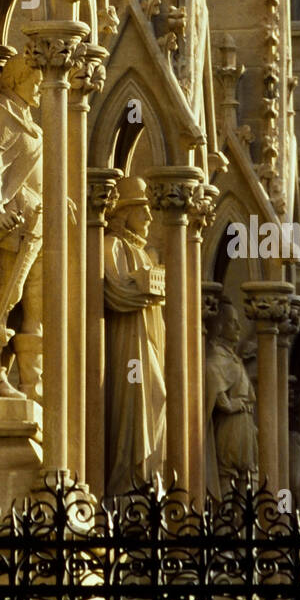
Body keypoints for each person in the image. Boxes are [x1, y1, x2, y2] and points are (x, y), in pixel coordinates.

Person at [0, 55, 43, 398]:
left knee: (28, 302)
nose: (41, 87)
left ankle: (32, 380)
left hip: (34, 224)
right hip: (11, 222)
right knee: (3, 295)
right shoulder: (1, 110)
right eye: (35, 80)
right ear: (17, 80)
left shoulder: (28, 119)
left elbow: (32, 174)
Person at [104, 176, 166, 492]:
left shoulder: (141, 253)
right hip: (126, 341)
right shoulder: (111, 245)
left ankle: (145, 474)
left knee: (157, 395)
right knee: (136, 395)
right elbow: (114, 291)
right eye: (143, 211)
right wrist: (145, 292)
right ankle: (125, 477)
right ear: (125, 212)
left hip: (144, 340)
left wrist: (152, 291)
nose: (149, 218)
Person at [205, 299, 257, 498]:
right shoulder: (217, 358)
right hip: (229, 428)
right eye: (231, 322)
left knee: (246, 488)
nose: (238, 326)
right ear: (219, 327)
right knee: (226, 480)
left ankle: (242, 528)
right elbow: (211, 374)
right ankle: (223, 526)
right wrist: (228, 405)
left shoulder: (233, 358)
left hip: (244, 428)